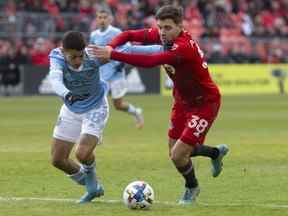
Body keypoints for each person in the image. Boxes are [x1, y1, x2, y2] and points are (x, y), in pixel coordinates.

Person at [90, 5, 229, 204]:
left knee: (178, 154)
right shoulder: (166, 36)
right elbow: (129, 34)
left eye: (168, 28)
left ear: (180, 26)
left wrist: (112, 55)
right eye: (160, 27)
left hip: (204, 103)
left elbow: (151, 61)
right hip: (182, 101)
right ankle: (215, 153)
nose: (162, 32)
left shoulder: (183, 47)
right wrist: (111, 47)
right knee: (175, 152)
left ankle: (192, 188)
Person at [49, 30, 162, 204]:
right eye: (73, 57)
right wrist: (67, 94)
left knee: (82, 153)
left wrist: (162, 47)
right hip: (71, 107)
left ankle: (91, 185)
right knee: (58, 160)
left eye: (80, 56)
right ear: (63, 52)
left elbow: (129, 51)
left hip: (96, 107)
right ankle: (92, 186)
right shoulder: (56, 57)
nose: (78, 61)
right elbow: (55, 79)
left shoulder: (93, 54)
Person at [90, 9, 144, 129]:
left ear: (110, 19)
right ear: (96, 19)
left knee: (118, 105)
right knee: (97, 104)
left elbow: (127, 48)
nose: (102, 20)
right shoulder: (94, 35)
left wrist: (120, 64)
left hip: (116, 74)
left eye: (105, 17)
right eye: (100, 17)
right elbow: (92, 52)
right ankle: (95, 133)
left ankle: (136, 112)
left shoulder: (116, 32)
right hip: (101, 75)